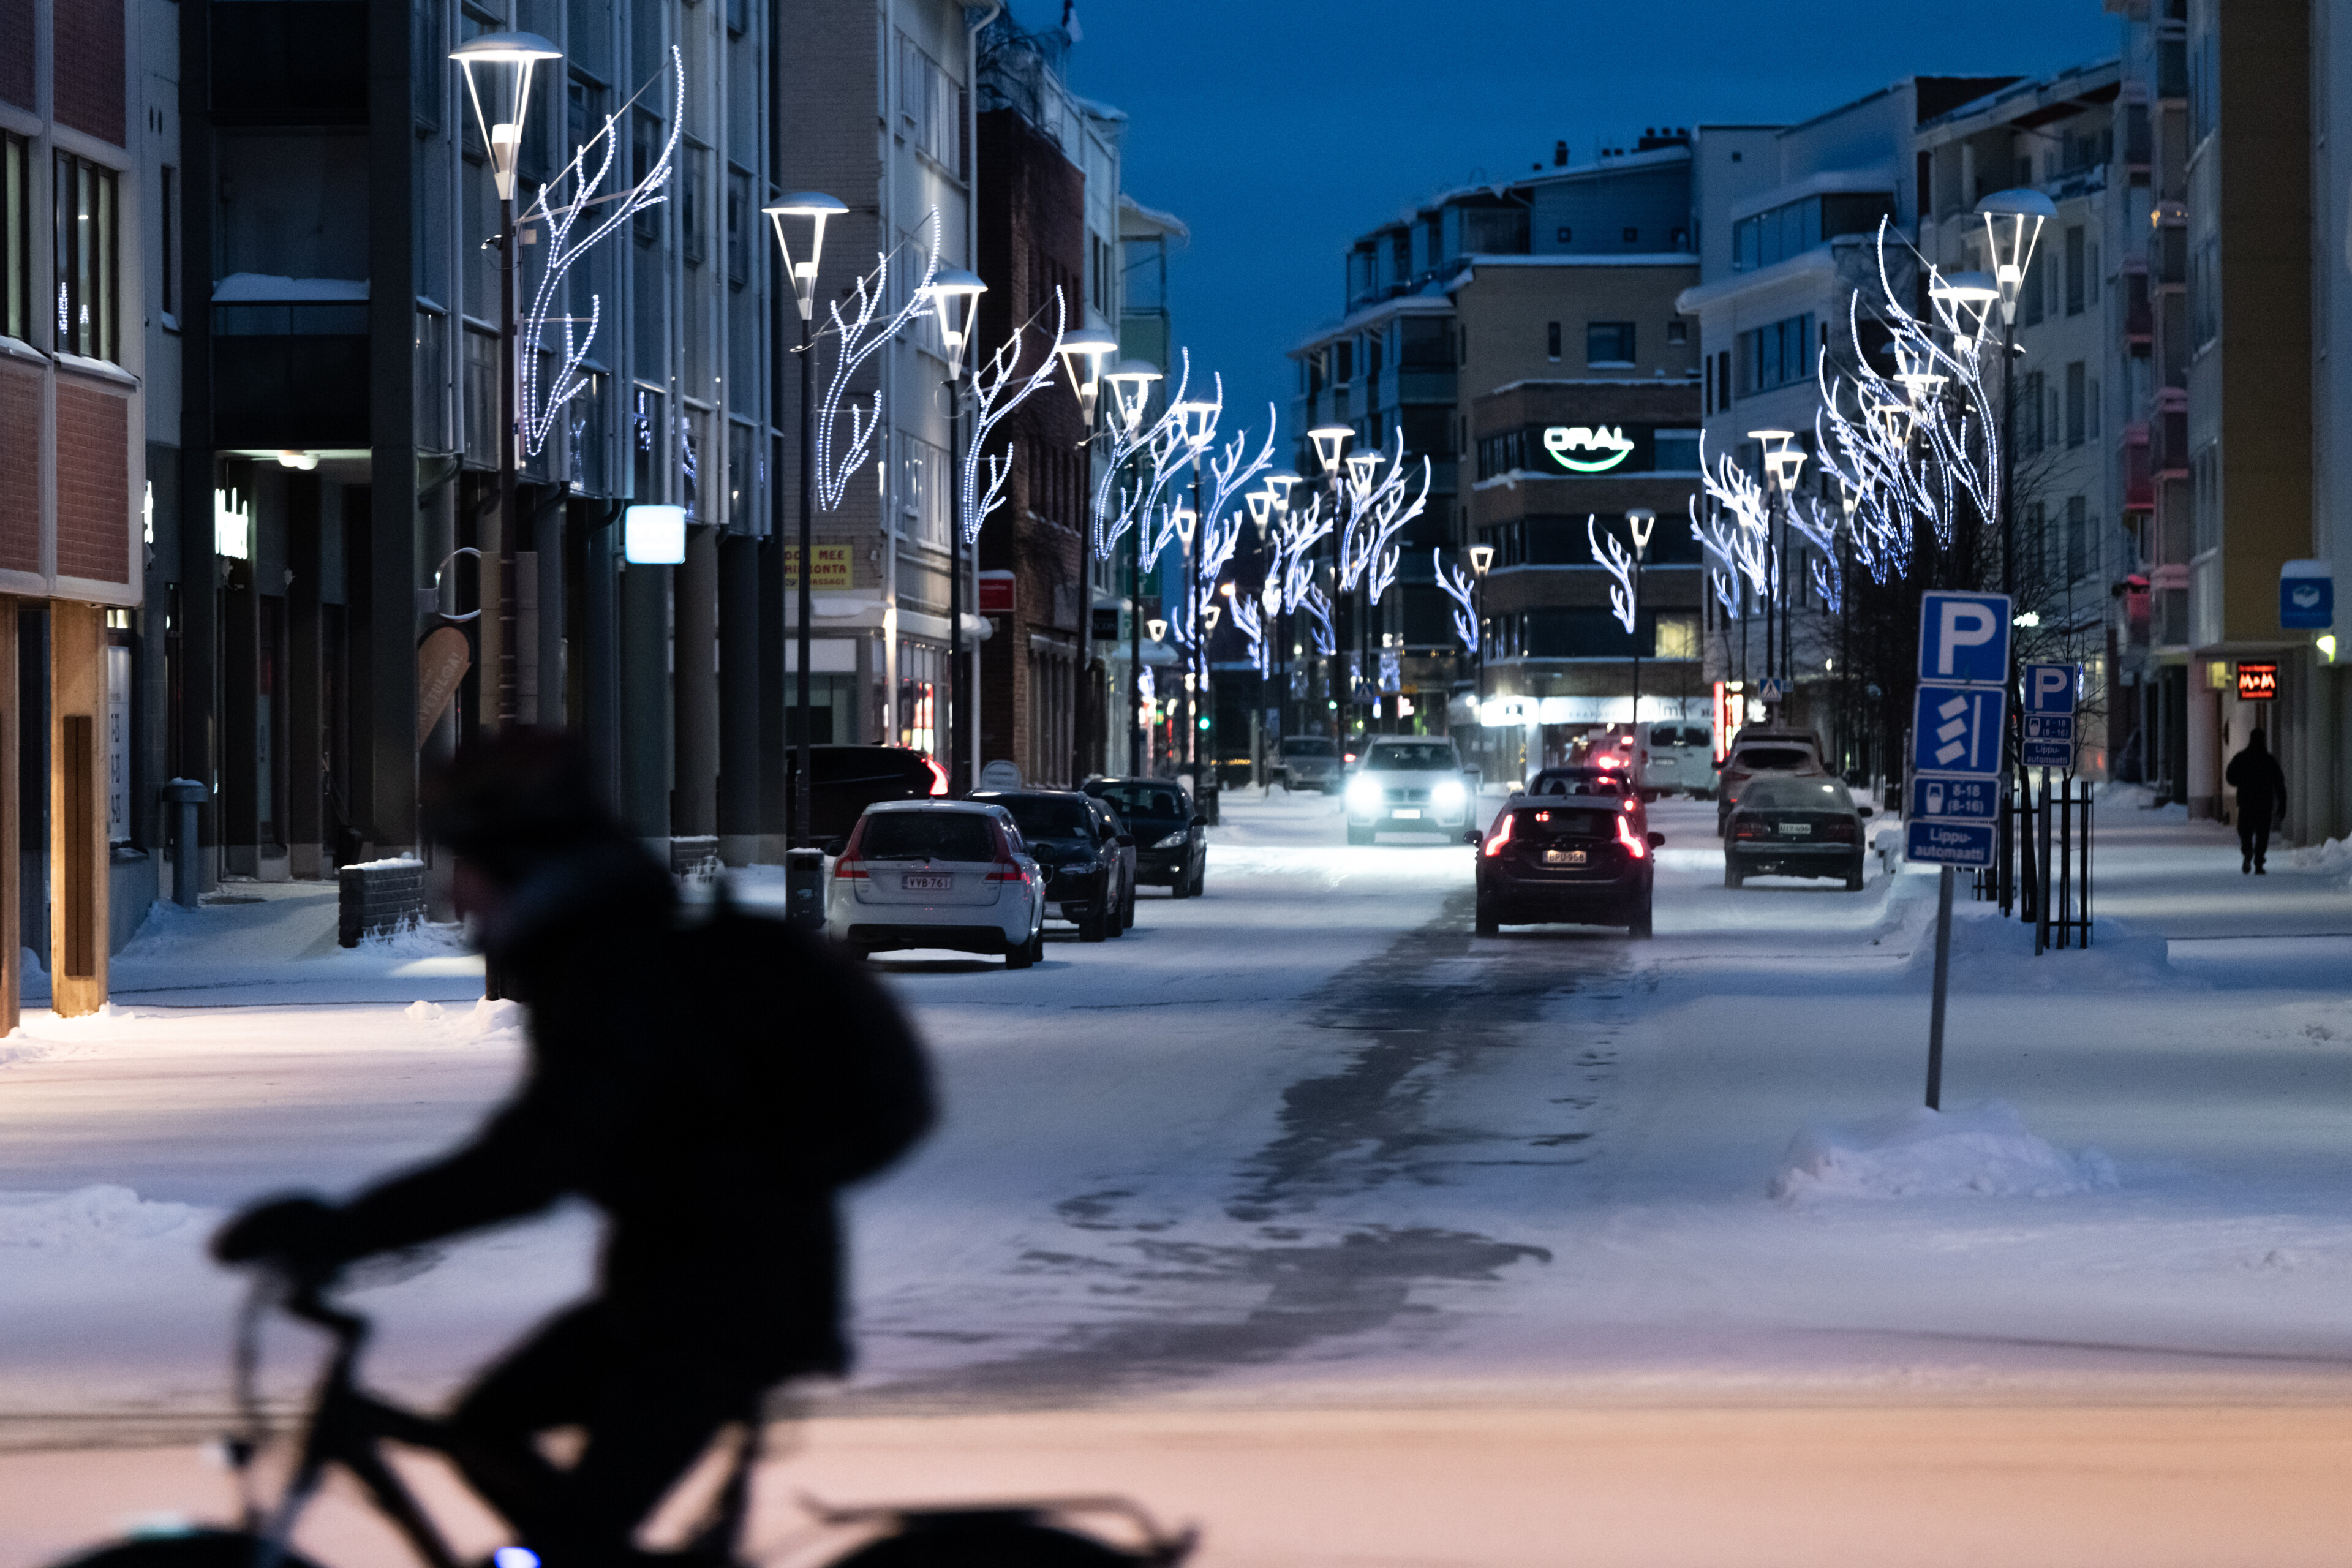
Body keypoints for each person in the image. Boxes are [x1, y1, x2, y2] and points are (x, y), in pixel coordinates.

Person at [212, 729, 930, 1567]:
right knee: (487, 1430)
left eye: (469, 869)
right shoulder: (603, 956)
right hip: (680, 1291)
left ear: (524, 865)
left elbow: (537, 1158)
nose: (459, 897)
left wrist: (344, 1232)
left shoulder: (616, 972)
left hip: (722, 1308)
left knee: (572, 1539)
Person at [2224, 726, 2288, 875]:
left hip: (2246, 802)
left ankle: (2247, 850)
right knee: (2262, 833)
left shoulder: (2241, 758)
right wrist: (2282, 803)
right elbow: (2279, 782)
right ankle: (2259, 862)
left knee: (2245, 830)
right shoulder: (2269, 760)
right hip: (2264, 803)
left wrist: (2241, 782)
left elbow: (2230, 776)